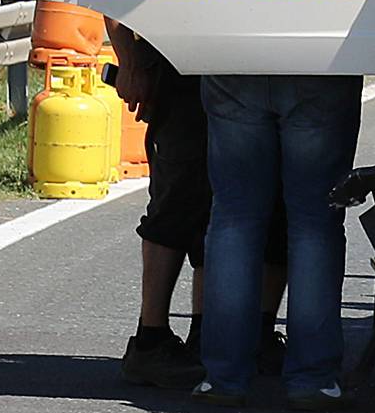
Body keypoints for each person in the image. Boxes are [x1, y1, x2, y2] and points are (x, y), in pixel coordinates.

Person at [109, 23, 285, 381]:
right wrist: (129, 61)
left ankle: (233, 335)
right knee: (180, 199)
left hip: (267, 58)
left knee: (270, 201)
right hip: (183, 64)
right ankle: (151, 338)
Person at [194, 71, 364, 413]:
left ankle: (224, 375)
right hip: (322, 61)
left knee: (234, 217)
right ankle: (313, 377)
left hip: (233, 56)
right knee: (316, 222)